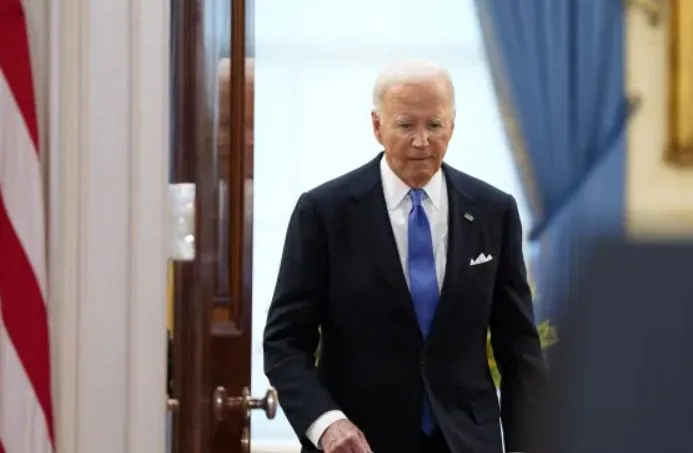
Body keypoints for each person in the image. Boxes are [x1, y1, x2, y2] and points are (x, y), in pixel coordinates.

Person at [263, 59, 546, 453]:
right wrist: (326, 424)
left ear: (452, 126)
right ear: (377, 126)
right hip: (357, 442)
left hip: (467, 441)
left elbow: (520, 350)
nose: (421, 141)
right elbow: (284, 343)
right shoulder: (324, 212)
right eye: (406, 125)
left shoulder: (493, 211)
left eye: (435, 125)